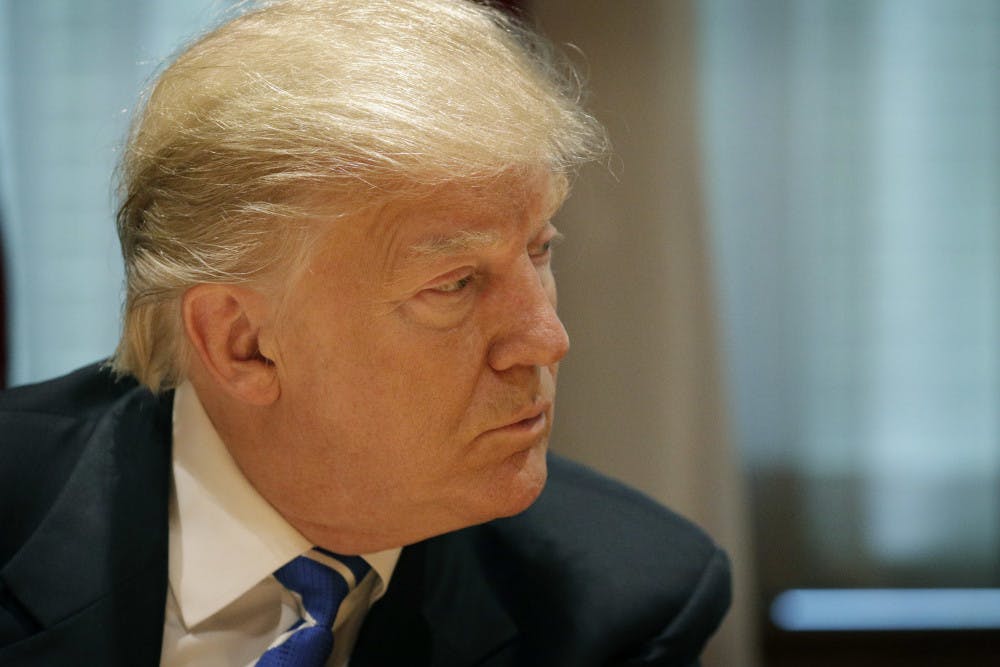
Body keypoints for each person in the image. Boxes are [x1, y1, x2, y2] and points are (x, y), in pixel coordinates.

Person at [0, 1, 730, 665]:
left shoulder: (619, 604)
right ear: (242, 343)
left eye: (538, 250)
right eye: (454, 283)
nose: (546, 339)